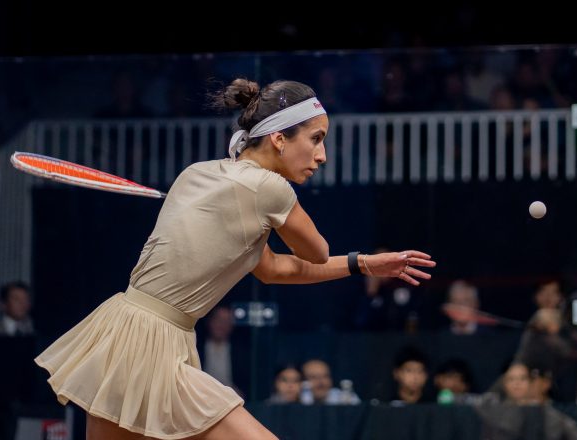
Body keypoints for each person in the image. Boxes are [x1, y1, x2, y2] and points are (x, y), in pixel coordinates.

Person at [34, 78, 436, 440]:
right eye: (315, 139)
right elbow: (312, 252)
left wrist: (362, 263)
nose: (322, 155)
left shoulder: (197, 172)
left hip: (123, 330)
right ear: (279, 139)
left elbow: (274, 270)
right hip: (150, 342)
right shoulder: (270, 190)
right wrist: (351, 257)